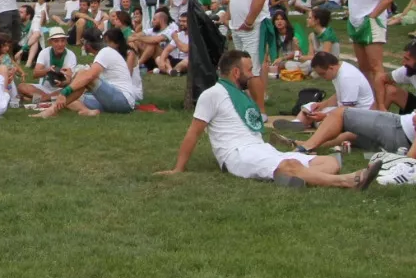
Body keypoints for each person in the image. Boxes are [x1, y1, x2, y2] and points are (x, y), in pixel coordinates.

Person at [161, 50, 380, 188]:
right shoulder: (213, 94)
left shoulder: (241, 95)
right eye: (249, 70)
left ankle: (296, 177)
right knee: (290, 163)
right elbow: (193, 132)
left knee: (330, 161)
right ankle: (348, 181)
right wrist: (178, 169)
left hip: (259, 147)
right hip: (236, 154)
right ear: (236, 73)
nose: (252, 74)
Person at [294, 41, 416, 156]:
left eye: (406, 59)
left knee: (341, 115)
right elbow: (382, 79)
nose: (403, 63)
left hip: (407, 126)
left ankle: (306, 147)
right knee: (355, 131)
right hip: (412, 123)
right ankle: (310, 144)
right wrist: (381, 106)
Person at [36, 27, 141, 117]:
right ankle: (87, 111)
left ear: (88, 44)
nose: (82, 45)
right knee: (71, 98)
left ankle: (51, 111)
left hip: (123, 101)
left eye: (83, 42)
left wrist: (65, 91)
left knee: (83, 75)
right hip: (111, 99)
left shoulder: (105, 52)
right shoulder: (104, 53)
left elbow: (89, 77)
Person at [223, 0, 271, 110]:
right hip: (237, 27)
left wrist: (249, 21)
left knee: (253, 70)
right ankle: (246, 105)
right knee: (241, 69)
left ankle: (261, 110)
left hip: (254, 26)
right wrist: (228, 21)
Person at [346, 0, 394, 106]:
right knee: (364, 67)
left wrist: (372, 16)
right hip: (355, 23)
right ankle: (371, 101)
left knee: (376, 66)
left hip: (370, 24)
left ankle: (381, 104)